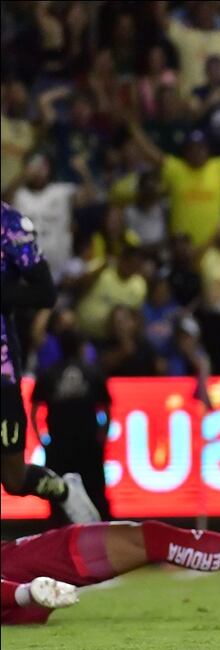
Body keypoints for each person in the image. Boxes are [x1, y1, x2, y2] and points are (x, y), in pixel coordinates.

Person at [1, 517, 220, 625]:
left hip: (27, 554)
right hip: (24, 571)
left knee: (154, 537)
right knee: (152, 540)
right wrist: (27, 593)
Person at [0, 201, 100, 524]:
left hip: (1, 372)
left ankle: (63, 489)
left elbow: (45, 292)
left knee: (14, 480)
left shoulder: (9, 224)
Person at [30, 327, 112, 523]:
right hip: (88, 444)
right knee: (96, 494)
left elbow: (33, 411)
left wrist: (42, 439)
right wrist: (103, 435)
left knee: (58, 495)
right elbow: (107, 408)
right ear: (80, 347)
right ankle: (103, 538)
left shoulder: (49, 374)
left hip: (59, 445)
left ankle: (59, 540)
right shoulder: (92, 372)